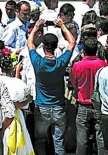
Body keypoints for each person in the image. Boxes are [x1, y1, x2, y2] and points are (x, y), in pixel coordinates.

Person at [28, 17, 76, 155]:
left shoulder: (38, 62)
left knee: (40, 141)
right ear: (55, 46)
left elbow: (30, 43)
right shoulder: (61, 62)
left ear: (43, 46)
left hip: (42, 107)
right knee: (59, 142)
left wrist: (36, 27)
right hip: (58, 107)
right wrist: (62, 26)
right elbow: (72, 42)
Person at [70, 37, 108, 155]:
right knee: (101, 138)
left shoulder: (77, 65)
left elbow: (73, 83)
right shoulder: (103, 64)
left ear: (83, 51)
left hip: (83, 105)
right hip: (99, 105)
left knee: (82, 139)